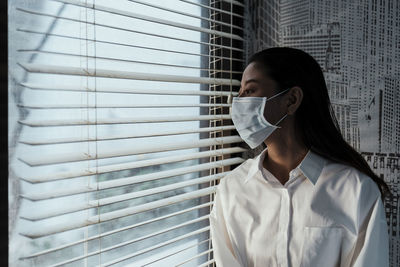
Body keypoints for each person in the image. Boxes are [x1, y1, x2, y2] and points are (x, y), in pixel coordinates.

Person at [209, 47, 391, 267]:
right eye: (239, 93)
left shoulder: (356, 191)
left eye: (249, 91)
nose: (237, 103)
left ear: (291, 99)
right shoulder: (231, 190)